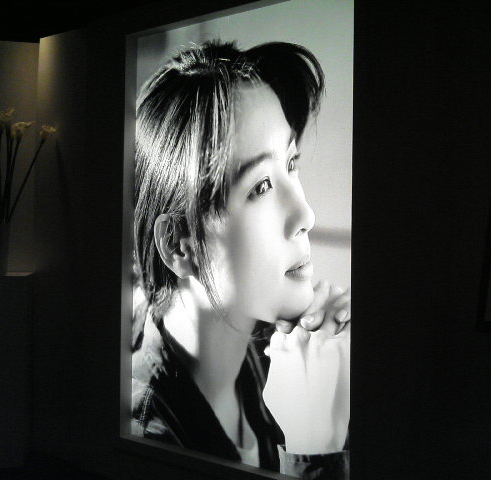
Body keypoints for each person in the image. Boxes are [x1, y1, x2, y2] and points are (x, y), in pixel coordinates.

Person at [130, 40, 350, 479]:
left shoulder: (273, 353)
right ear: (179, 245)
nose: (305, 215)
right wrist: (312, 446)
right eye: (261, 186)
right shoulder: (148, 437)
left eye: (291, 162)